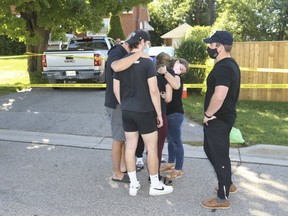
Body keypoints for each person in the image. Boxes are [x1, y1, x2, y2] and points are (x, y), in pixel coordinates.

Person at [113, 30, 173, 196]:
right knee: (151, 148)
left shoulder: (121, 62)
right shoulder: (148, 63)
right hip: (145, 111)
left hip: (127, 110)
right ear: (141, 43)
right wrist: (159, 113)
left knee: (130, 147)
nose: (147, 46)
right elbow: (153, 90)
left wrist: (124, 104)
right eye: (146, 43)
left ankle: (133, 184)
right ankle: (155, 185)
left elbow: (115, 88)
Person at [200, 30, 240, 209]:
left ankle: (222, 197)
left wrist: (208, 114)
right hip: (224, 117)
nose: (209, 47)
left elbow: (220, 95)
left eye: (212, 45)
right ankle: (228, 183)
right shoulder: (231, 64)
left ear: (221, 47)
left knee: (218, 155)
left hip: (218, 118)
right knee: (215, 151)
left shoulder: (224, 67)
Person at [104, 33, 149, 183]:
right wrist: (138, 55)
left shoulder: (123, 53)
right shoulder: (117, 52)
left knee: (124, 138)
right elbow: (115, 67)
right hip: (117, 103)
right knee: (118, 139)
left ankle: (124, 167)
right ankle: (117, 173)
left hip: (124, 102)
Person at [159, 58, 189, 180]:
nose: (180, 72)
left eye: (183, 71)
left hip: (175, 114)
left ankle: (178, 169)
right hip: (169, 113)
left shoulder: (176, 77)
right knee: (170, 140)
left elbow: (175, 86)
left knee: (176, 141)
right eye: (181, 68)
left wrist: (166, 73)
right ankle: (171, 163)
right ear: (177, 62)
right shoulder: (171, 74)